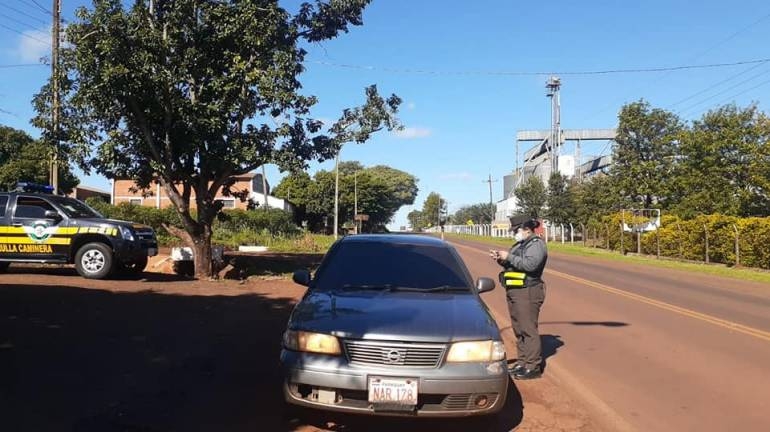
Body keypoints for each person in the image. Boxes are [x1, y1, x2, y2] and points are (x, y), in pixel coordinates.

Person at [489, 215, 548, 380]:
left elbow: (530, 265)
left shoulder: (536, 245)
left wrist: (509, 256)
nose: (514, 233)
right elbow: (514, 263)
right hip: (515, 289)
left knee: (528, 329)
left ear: (527, 229)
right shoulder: (521, 244)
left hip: (528, 291)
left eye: (516, 230)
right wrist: (501, 259)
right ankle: (522, 362)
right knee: (519, 328)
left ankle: (533, 365)